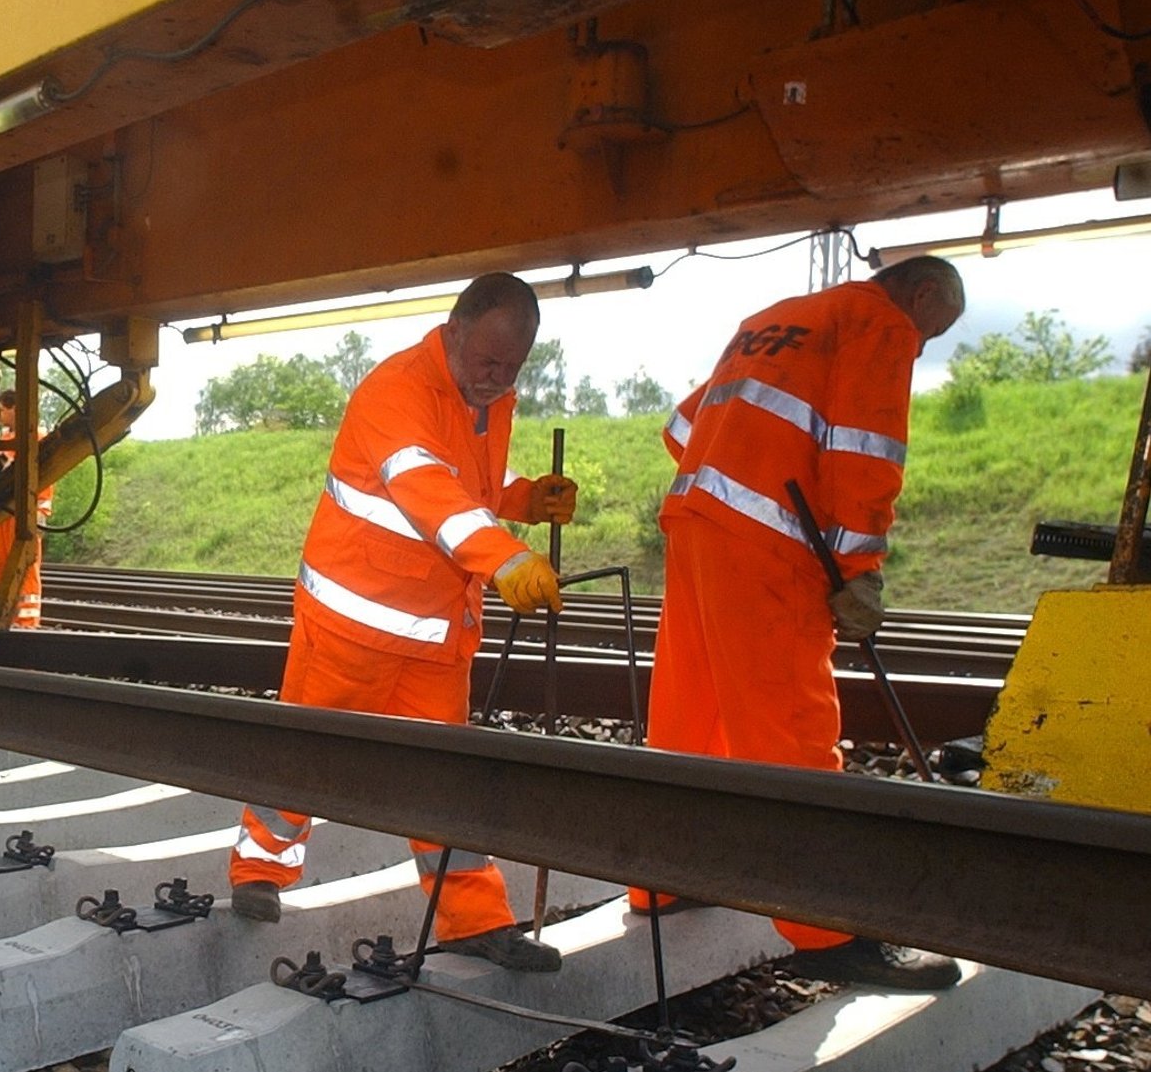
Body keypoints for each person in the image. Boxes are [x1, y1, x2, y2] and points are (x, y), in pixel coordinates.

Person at [631, 255, 967, 989]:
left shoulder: (775, 319)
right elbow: (865, 452)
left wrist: (743, 476)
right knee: (791, 726)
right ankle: (829, 928)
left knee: (690, 712)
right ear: (924, 295)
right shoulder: (878, 322)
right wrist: (858, 569)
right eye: (930, 330)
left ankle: (664, 877)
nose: (920, 343)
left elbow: (682, 425)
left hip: (696, 523)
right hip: (769, 540)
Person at [228, 273, 574, 972]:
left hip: (434, 636)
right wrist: (505, 556)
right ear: (453, 330)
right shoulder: (397, 388)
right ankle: (259, 870)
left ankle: (474, 918)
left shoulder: (487, 399)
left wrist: (522, 497)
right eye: (487, 362)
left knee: (443, 780)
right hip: (352, 621)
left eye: (512, 368)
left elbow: (465, 485)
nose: (498, 380)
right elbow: (424, 488)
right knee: (307, 752)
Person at [0, 389, 53, 628]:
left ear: (13, 407)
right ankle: (10, 615)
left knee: (24, 566)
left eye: (1, 410)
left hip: (24, 512)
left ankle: (25, 620)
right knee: (6, 566)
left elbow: (39, 478)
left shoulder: (37, 438)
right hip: (5, 514)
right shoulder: (6, 439)